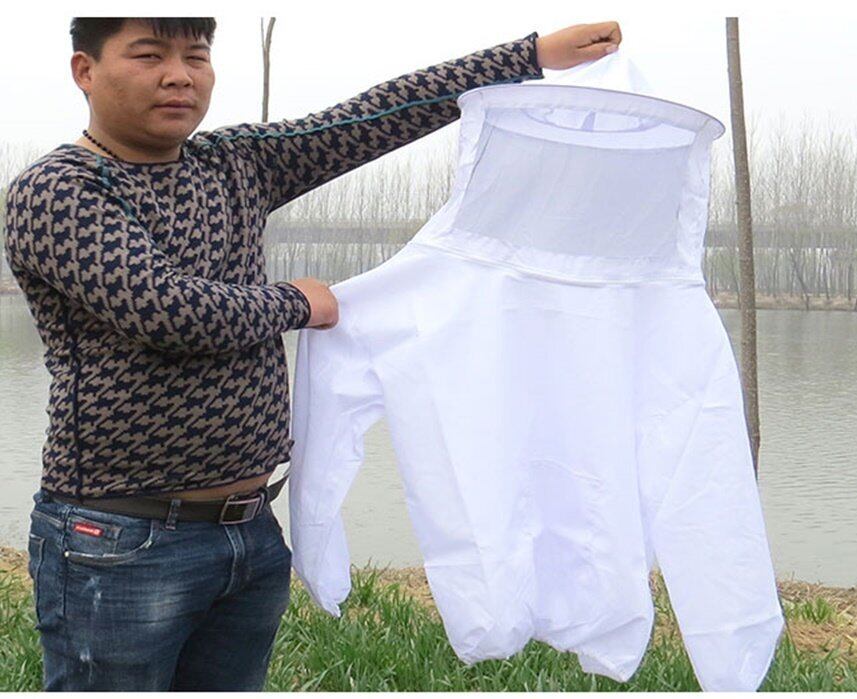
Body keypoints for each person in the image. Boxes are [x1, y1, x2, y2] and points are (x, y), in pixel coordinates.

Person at [2, 16, 622, 691]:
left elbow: (376, 116)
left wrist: (528, 56)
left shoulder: (234, 164)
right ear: (85, 71)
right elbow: (167, 311)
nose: (179, 76)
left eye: (196, 57)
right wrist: (297, 301)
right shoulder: (61, 189)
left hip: (249, 530)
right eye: (149, 55)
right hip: (120, 538)